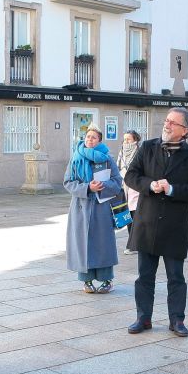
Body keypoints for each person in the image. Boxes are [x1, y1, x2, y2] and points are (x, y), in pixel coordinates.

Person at [125, 108, 188, 337]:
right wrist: (150, 185)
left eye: (173, 122)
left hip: (174, 226)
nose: (167, 124)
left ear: (185, 130)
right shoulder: (148, 147)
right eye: (167, 120)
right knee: (144, 276)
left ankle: (177, 320)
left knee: (176, 278)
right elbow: (130, 176)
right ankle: (143, 317)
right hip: (147, 222)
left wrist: (172, 189)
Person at [64, 126, 123, 294]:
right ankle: (86, 280)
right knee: (82, 244)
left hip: (101, 207)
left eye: (94, 137)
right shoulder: (75, 158)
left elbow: (117, 181)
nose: (90, 140)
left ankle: (106, 280)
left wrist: (102, 186)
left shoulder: (107, 159)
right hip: (80, 207)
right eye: (88, 137)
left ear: (100, 141)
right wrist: (87, 187)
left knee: (103, 243)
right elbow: (68, 182)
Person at [117, 130, 141, 254]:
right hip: (124, 188)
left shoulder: (139, 152)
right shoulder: (122, 152)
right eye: (125, 139)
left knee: (135, 217)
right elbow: (118, 167)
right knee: (126, 217)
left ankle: (133, 245)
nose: (126, 142)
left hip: (135, 189)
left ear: (135, 140)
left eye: (128, 139)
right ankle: (132, 244)